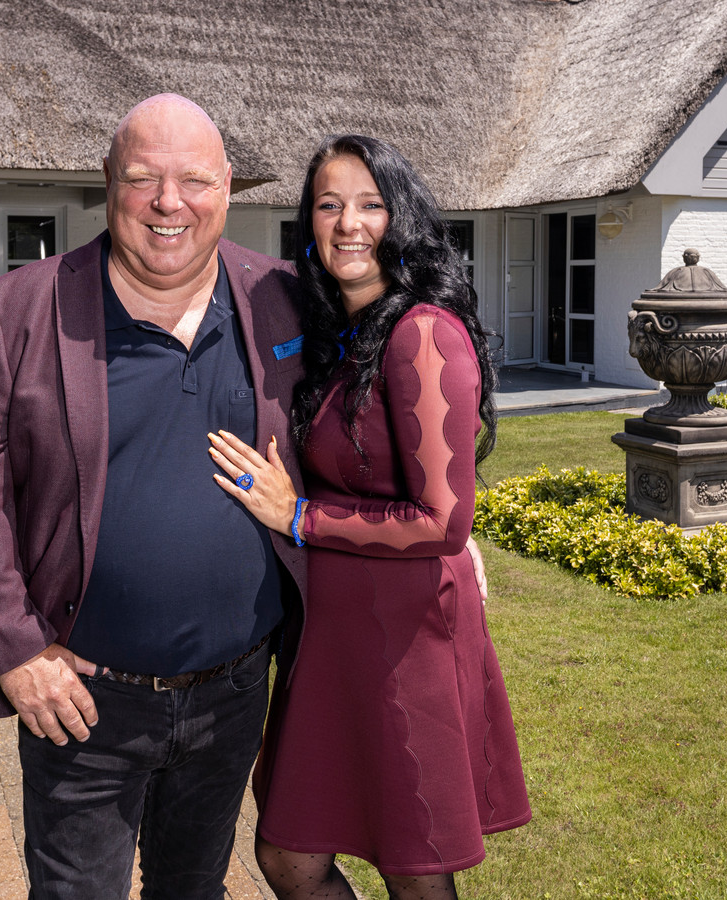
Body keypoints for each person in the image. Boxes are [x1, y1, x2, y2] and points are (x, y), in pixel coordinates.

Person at [0, 93, 310, 899]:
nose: (169, 203)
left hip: (235, 691)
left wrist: (435, 521)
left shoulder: (280, 296)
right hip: (83, 703)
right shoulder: (18, 311)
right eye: (143, 178)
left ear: (227, 187)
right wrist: (15, 652)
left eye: (194, 180)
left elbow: (366, 410)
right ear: (108, 181)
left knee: (194, 891)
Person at [208, 135, 532, 900]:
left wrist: (301, 517)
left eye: (370, 204)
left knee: (411, 864)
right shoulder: (345, 334)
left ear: (401, 217)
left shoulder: (422, 333)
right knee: (289, 855)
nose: (348, 223)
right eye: (329, 205)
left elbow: (442, 521)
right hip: (338, 636)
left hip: (405, 640)